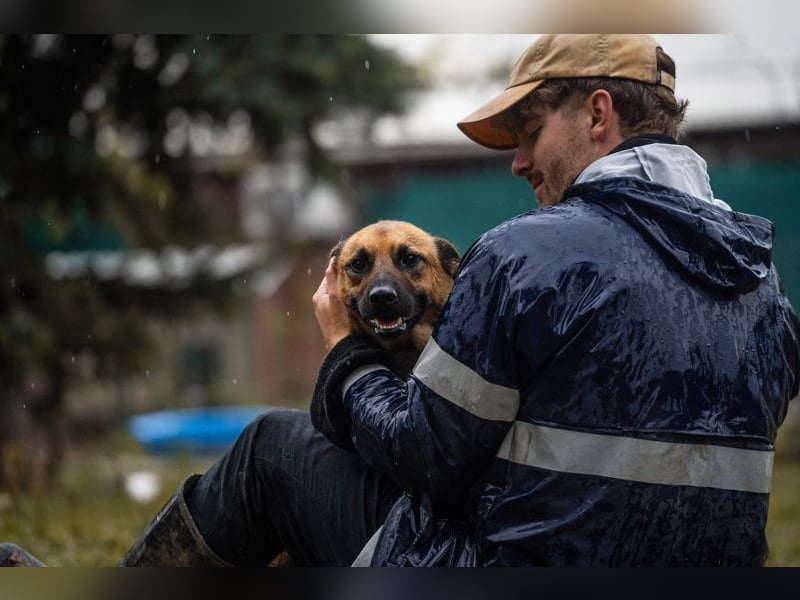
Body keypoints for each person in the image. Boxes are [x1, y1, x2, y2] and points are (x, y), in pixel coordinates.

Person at [3, 34, 798, 567]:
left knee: (270, 451)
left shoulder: (530, 251)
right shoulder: (765, 283)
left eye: (529, 128)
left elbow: (429, 458)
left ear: (596, 114)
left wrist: (346, 354)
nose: (518, 161)